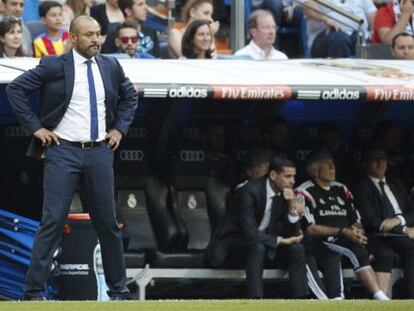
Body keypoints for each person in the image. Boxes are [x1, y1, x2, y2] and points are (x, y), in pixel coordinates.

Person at [6, 15, 138, 300]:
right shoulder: (53, 65)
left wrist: (120, 129)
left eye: (99, 34)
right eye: (89, 35)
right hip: (62, 151)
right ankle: (33, 292)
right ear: (73, 38)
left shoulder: (111, 66)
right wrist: (35, 128)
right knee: (52, 221)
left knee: (109, 224)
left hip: (100, 152)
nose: (96, 40)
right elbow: (14, 89)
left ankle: (119, 291)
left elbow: (131, 97)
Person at [206, 157, 310, 298]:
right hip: (233, 247)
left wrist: (292, 208)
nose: (292, 181)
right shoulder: (248, 191)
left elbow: (292, 234)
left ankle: (302, 301)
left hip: (264, 243)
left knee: (297, 249)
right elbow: (248, 233)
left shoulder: (285, 193)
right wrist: (279, 241)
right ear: (273, 175)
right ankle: (256, 300)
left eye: (294, 176)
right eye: (288, 176)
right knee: (257, 247)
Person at [296, 151, 389, 300]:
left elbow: (355, 218)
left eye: (333, 164)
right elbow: (310, 229)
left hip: (349, 234)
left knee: (385, 253)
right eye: (328, 165)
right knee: (356, 251)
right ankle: (379, 297)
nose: (333, 168)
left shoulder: (341, 188)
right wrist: (343, 231)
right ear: (315, 171)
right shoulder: (304, 191)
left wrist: (356, 230)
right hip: (325, 239)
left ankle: (381, 296)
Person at [353, 146, 414, 298]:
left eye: (383, 160)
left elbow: (411, 211)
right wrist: (403, 230)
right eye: (375, 160)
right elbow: (370, 219)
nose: (380, 164)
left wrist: (399, 220)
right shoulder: (362, 186)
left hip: (401, 231)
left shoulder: (395, 184)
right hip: (380, 235)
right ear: (365, 164)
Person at [301, 0, 376, 58]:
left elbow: (372, 13)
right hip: (327, 35)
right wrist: (326, 19)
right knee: (340, 39)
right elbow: (308, 7)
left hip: (357, 35)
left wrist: (374, 29)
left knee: (372, 41)